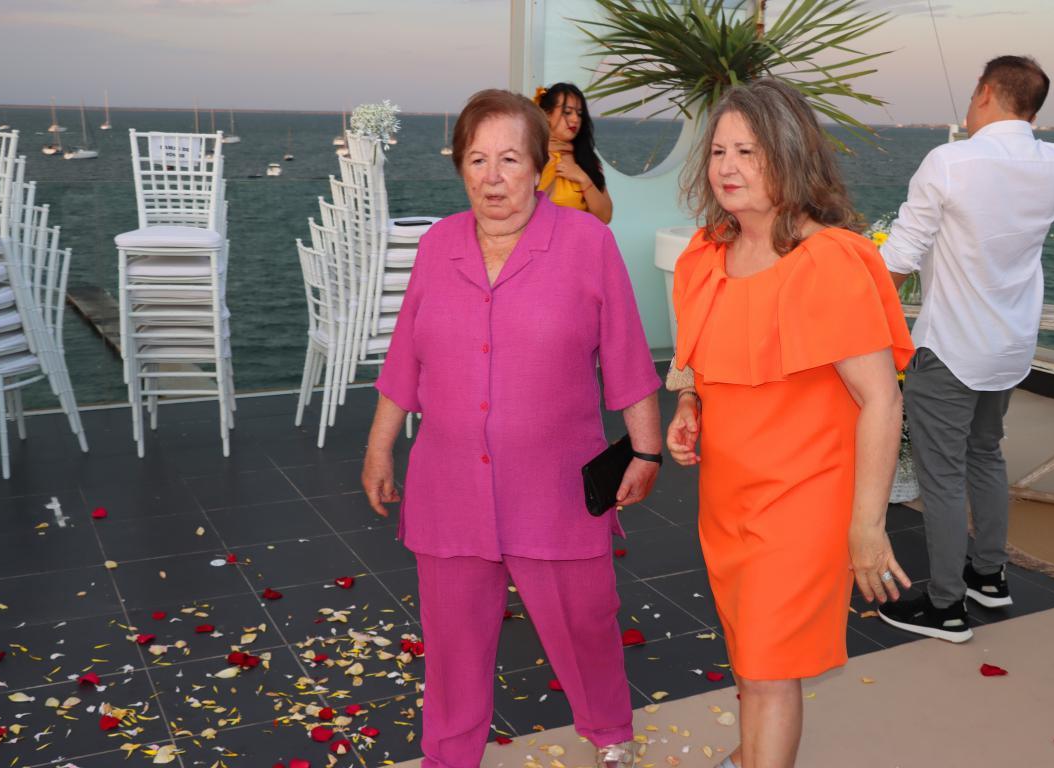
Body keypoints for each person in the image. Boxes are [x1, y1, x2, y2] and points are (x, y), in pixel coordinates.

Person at [362, 88, 662, 768]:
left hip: (555, 488)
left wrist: (646, 450)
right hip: (449, 486)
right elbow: (406, 355)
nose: (492, 178)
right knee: (452, 642)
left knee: (585, 623)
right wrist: (380, 447)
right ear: (460, 167)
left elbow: (626, 355)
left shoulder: (586, 243)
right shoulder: (438, 244)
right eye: (477, 159)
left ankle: (610, 733)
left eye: (509, 159)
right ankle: (449, 755)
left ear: (538, 166)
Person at [665, 79, 914, 768]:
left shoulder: (828, 261)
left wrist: (867, 526)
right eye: (720, 151)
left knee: (771, 670)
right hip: (728, 497)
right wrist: (688, 406)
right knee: (751, 658)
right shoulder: (705, 255)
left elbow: (881, 401)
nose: (728, 167)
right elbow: (699, 359)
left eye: (748, 151)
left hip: (803, 500)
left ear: (790, 155)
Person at [877, 56, 1054, 641]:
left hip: (950, 347)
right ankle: (988, 575)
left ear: (986, 92)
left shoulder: (949, 162)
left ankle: (945, 606)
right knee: (985, 454)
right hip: (1009, 347)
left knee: (940, 477)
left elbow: (898, 259)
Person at [534, 83, 614, 223]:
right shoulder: (533, 154)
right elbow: (527, 210)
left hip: (582, 235)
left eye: (579, 113)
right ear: (546, 114)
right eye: (567, 112)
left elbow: (605, 217)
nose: (575, 119)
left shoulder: (586, 159)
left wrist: (583, 178)